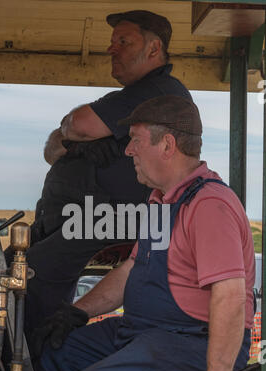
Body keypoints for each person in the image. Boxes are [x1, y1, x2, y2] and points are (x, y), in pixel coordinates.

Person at [33, 95, 255, 371]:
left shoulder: (209, 205)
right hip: (145, 331)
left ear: (166, 145)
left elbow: (229, 295)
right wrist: (77, 312)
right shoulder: (160, 200)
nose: (128, 151)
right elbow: (133, 269)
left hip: (194, 341)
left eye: (135, 140)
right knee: (53, 355)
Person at [23, 10, 193, 349]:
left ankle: (36, 363)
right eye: (113, 41)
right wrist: (74, 143)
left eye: (123, 42)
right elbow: (53, 148)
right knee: (33, 272)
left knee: (34, 275)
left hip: (115, 217)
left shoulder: (157, 90)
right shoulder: (129, 100)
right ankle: (40, 354)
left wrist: (75, 135)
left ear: (154, 48)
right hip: (92, 217)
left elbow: (79, 124)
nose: (111, 49)